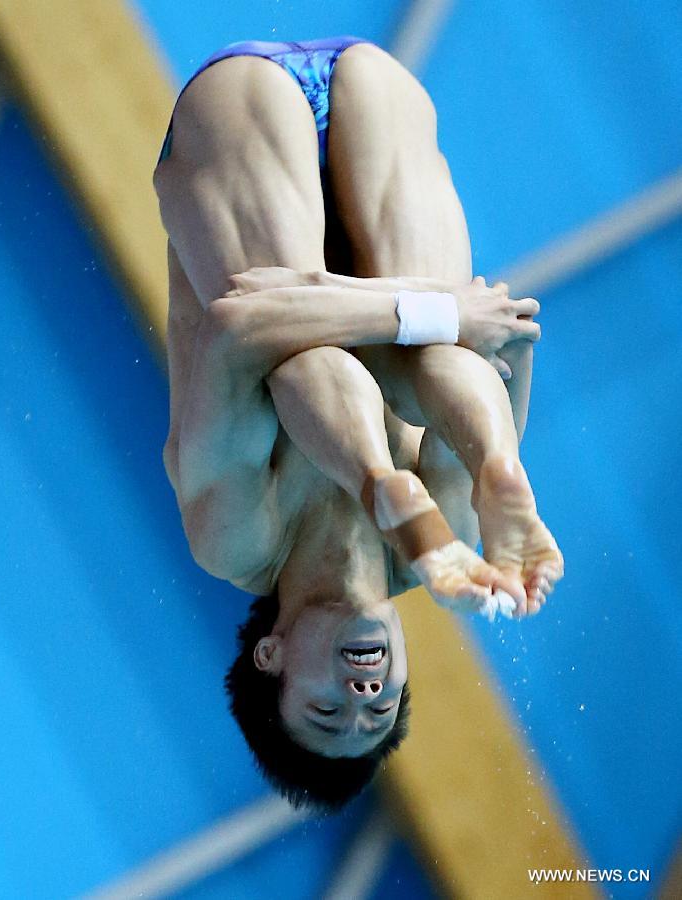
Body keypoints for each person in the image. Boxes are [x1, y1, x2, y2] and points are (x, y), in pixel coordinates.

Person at [152, 36, 563, 809]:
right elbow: (504, 340)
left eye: (327, 707)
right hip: (377, 99)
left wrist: (442, 312)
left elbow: (241, 326)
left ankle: (381, 479)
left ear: (270, 656)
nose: (362, 690)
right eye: (378, 707)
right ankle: (499, 470)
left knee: (308, 364)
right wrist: (455, 330)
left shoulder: (237, 538)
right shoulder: (452, 538)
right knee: (427, 372)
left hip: (240, 116)